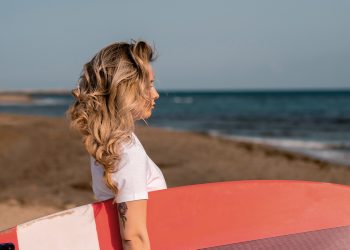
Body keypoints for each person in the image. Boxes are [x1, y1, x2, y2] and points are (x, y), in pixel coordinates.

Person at [66, 40, 167, 250]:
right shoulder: (127, 150)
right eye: (148, 84)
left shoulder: (109, 144)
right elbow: (133, 237)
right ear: (126, 88)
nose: (155, 94)